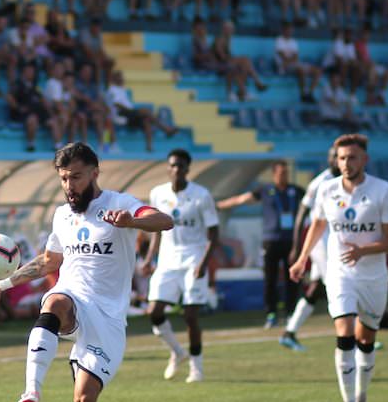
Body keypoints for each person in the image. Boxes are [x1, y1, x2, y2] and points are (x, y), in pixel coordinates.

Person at [0, 143, 173, 402]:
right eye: (63, 179)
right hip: (73, 298)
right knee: (55, 300)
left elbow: (164, 221)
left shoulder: (121, 203)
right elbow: (47, 262)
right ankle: (31, 392)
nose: (69, 186)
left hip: (108, 317)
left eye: (76, 177)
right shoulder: (61, 216)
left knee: (85, 398)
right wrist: (5, 283)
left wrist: (132, 221)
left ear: (94, 173)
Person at [289, 133, 388, 402]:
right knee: (344, 331)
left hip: (374, 276)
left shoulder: (382, 191)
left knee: (366, 340)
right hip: (340, 273)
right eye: (341, 158)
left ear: (364, 159)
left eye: (352, 157)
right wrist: (302, 259)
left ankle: (362, 398)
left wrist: (363, 250)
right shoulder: (326, 189)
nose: (346, 163)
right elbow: (318, 225)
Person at [142, 149, 220, 382]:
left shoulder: (201, 195)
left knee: (190, 315)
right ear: (168, 168)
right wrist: (149, 259)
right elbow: (156, 228)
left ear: (188, 169)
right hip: (167, 260)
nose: (176, 169)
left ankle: (197, 368)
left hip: (194, 258)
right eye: (173, 165)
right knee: (154, 312)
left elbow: (214, 233)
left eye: (181, 166)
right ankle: (177, 351)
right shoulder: (157, 194)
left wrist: (204, 263)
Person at [217, 160, 305, 329]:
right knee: (270, 279)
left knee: (292, 279)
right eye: (280, 173)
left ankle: (290, 313)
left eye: (286, 173)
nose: (284, 176)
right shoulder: (265, 191)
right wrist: (221, 205)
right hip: (271, 241)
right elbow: (242, 199)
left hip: (291, 242)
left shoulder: (296, 191)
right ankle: (271, 314)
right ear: (274, 174)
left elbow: (313, 202)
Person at [280, 145, 339, 351]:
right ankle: (357, 336)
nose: (338, 160)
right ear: (330, 159)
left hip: (334, 241)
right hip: (320, 243)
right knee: (339, 285)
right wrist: (297, 249)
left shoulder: (348, 182)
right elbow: (301, 215)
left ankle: (289, 333)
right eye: (334, 156)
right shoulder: (320, 182)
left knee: (315, 289)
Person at [105, 70, 178, 153]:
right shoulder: (112, 89)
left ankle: (149, 147)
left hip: (128, 115)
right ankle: (166, 129)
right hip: (121, 114)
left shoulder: (121, 89)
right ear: (114, 79)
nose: (122, 79)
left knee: (146, 120)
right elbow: (117, 104)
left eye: (122, 77)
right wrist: (131, 111)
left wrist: (132, 112)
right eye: (119, 77)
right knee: (146, 111)